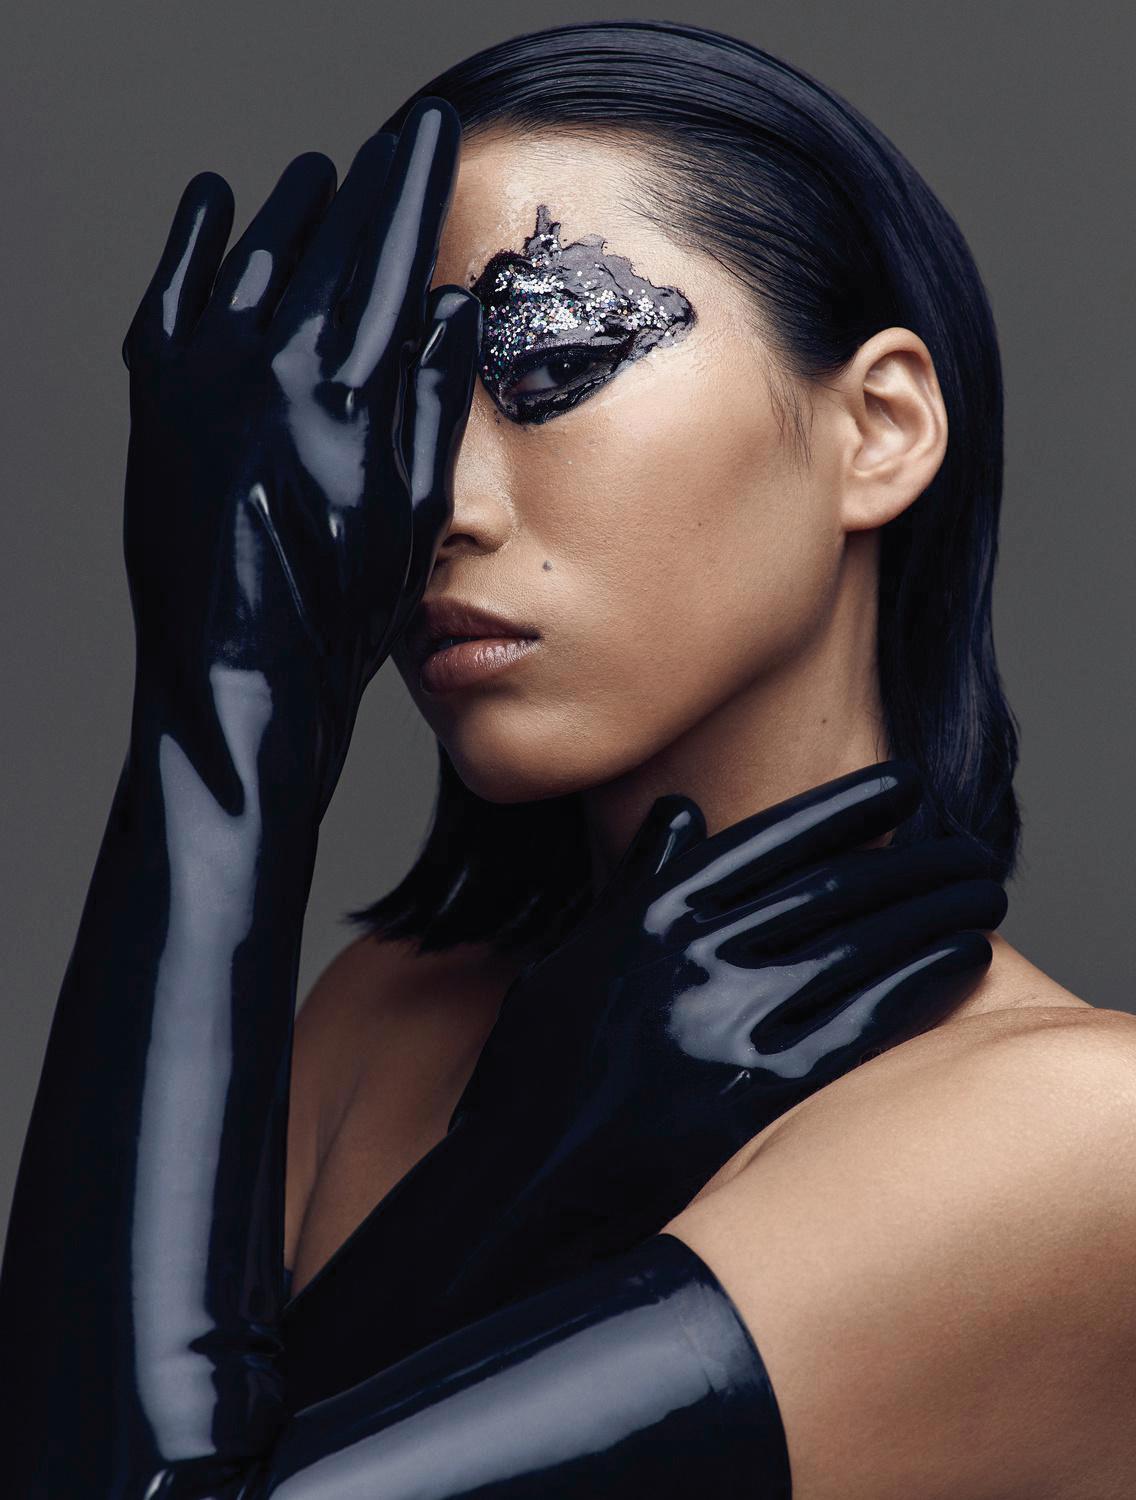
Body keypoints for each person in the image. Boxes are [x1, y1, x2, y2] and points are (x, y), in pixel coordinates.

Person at [1, 20, 1132, 1500]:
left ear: (879, 429)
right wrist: (528, 1167)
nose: (441, 506)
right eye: (398, 420)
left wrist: (223, 695)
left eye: (551, 365)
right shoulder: (384, 1020)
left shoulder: (1082, 1140)